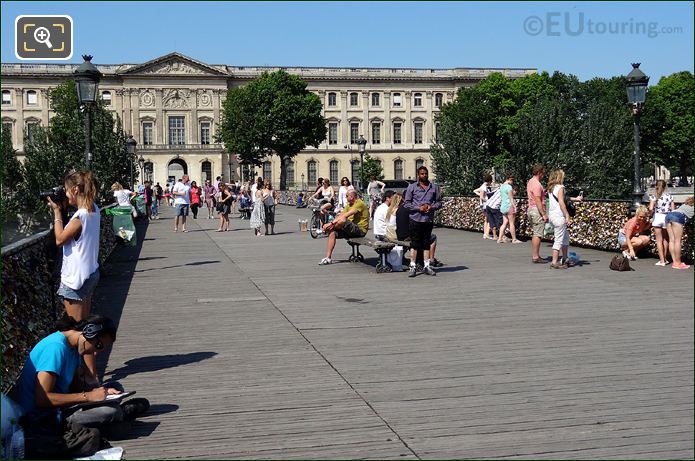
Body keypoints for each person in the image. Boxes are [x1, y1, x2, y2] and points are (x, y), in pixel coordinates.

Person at [17, 314, 149, 436]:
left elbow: (74, 387)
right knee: (109, 412)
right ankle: (118, 415)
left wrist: (101, 391)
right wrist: (88, 396)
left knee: (115, 386)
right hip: (43, 415)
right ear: (89, 332)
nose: (95, 352)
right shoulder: (55, 348)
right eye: (98, 345)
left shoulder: (73, 347)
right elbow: (42, 399)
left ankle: (114, 418)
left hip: (60, 406)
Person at [48, 170, 102, 381]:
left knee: (79, 332)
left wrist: (57, 213)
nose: (66, 195)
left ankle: (90, 377)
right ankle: (86, 373)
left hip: (75, 279)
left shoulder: (80, 216)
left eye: (67, 191)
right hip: (89, 274)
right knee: (85, 325)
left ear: (76, 189)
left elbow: (60, 239)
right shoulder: (94, 210)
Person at [404, 166, 442, 277]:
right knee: (414, 243)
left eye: (426, 173)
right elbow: (406, 204)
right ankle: (413, 266)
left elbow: (439, 202)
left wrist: (432, 207)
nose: (424, 175)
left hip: (428, 219)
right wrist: (418, 208)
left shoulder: (434, 187)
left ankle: (427, 266)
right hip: (415, 218)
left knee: (426, 243)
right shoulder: (412, 187)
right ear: (418, 175)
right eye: (422, 174)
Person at [318, 190, 369, 265]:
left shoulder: (359, 203)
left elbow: (345, 216)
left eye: (347, 196)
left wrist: (330, 224)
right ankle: (328, 258)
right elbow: (340, 215)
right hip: (351, 229)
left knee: (343, 220)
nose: (346, 198)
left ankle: (326, 229)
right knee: (332, 233)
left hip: (360, 230)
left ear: (351, 197)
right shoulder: (349, 205)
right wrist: (331, 224)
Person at [546, 169, 582, 269]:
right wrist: (567, 215)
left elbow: (562, 199)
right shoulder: (561, 187)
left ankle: (565, 258)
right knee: (558, 240)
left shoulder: (551, 188)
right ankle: (554, 262)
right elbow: (562, 202)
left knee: (565, 237)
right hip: (559, 216)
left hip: (552, 216)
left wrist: (575, 198)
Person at [649, 180, 675, 266]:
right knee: (665, 239)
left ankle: (662, 260)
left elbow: (651, 208)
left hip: (658, 217)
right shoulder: (669, 196)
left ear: (656, 186)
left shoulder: (654, 196)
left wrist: (650, 215)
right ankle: (665, 258)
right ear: (665, 186)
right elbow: (673, 209)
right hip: (666, 217)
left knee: (659, 240)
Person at [526, 164, 548, 263]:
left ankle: (536, 255)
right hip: (536, 210)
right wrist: (543, 214)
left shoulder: (530, 181)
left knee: (536, 232)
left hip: (531, 209)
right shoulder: (537, 184)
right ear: (539, 172)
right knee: (537, 234)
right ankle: (535, 256)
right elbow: (538, 200)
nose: (544, 175)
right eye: (543, 173)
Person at [665, 196, 693, 269]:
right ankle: (678, 263)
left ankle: (675, 262)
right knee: (678, 241)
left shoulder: (685, 204)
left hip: (669, 215)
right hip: (678, 217)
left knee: (672, 240)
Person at [497, 173, 521, 244]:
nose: (512, 182)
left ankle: (500, 238)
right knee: (511, 223)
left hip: (503, 206)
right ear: (510, 179)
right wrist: (514, 206)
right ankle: (514, 239)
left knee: (504, 223)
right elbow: (511, 198)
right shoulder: (509, 187)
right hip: (509, 206)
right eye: (512, 181)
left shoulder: (501, 186)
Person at [474, 173, 494, 239]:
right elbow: (482, 197)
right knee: (488, 219)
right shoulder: (484, 187)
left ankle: (485, 234)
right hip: (485, 205)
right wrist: (487, 200)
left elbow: (475, 191)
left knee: (486, 219)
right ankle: (486, 234)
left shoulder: (483, 186)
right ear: (489, 180)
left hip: (483, 205)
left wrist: (480, 195)